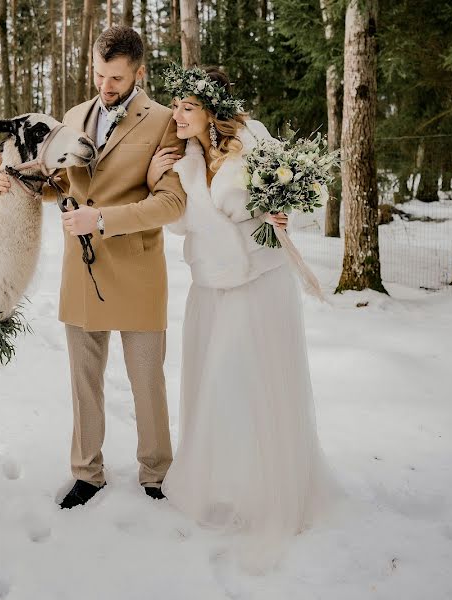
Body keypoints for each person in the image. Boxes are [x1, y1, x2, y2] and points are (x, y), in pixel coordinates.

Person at [150, 65, 340, 569]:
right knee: (211, 390)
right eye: (177, 106)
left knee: (245, 386)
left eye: (187, 107)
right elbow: (179, 225)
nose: (178, 115)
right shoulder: (184, 158)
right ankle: (222, 485)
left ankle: (267, 492)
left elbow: (295, 201)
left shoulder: (257, 143)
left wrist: (284, 216)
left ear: (212, 110)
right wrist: (159, 175)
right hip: (210, 287)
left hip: (257, 286)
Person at [0, 26, 186, 508]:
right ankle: (86, 472)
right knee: (83, 381)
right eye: (99, 74)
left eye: (116, 77)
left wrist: (101, 218)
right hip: (83, 271)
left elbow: (172, 203)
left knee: (147, 383)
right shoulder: (73, 117)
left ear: (138, 73)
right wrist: (6, 175)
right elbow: (59, 185)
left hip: (138, 271)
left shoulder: (163, 122)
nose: (105, 86)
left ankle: (157, 473)